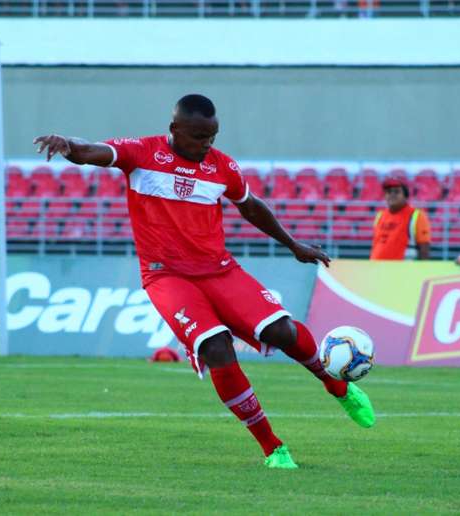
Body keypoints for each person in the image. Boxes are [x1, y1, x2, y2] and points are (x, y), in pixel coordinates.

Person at [34, 94, 375, 469]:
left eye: (211, 136)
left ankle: (337, 386)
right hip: (167, 276)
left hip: (220, 270)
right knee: (217, 349)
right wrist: (69, 147)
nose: (206, 144)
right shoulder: (142, 153)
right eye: (198, 136)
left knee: (283, 331)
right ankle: (273, 448)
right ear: (175, 129)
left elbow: (250, 205)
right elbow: (94, 152)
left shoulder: (222, 166)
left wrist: (292, 244)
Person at [369, 175, 431, 260]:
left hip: (403, 270)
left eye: (396, 192)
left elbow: (424, 247)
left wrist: (423, 270)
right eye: (388, 192)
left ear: (406, 196)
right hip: (377, 267)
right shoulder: (380, 215)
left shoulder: (417, 215)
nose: (392, 195)